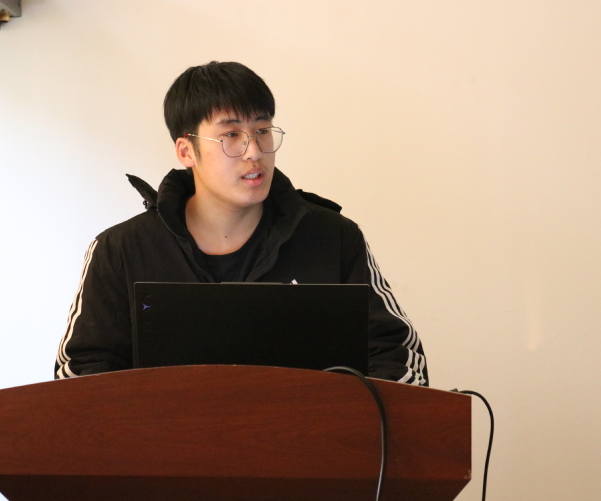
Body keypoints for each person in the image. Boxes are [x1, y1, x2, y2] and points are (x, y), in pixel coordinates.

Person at [54, 61, 428, 385]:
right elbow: (81, 372)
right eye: (231, 135)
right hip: (165, 443)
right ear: (187, 151)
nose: (254, 152)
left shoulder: (333, 238)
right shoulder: (121, 250)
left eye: (262, 131)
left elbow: (395, 353)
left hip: (310, 441)